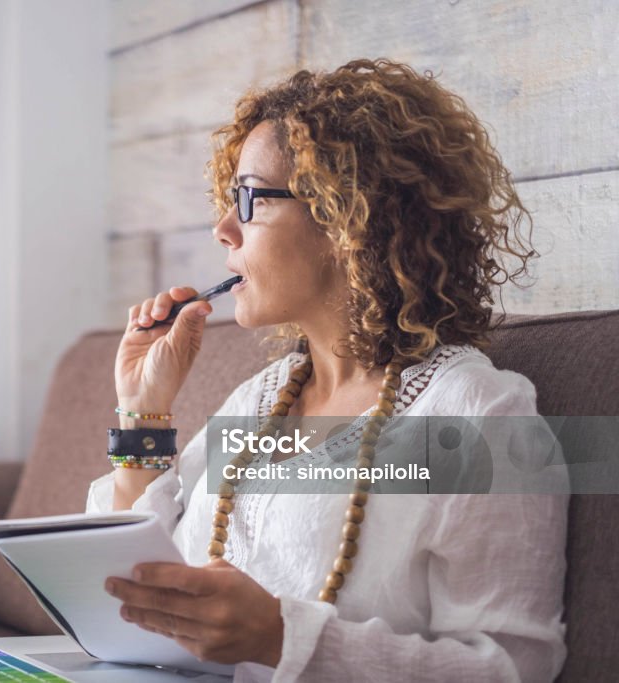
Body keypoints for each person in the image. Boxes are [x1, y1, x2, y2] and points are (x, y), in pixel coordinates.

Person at [86, 59, 568, 682]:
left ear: (347, 217)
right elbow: (136, 592)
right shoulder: (257, 401)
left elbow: (514, 669)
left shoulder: (480, 416)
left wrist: (279, 636)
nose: (223, 229)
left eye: (249, 199)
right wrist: (143, 412)